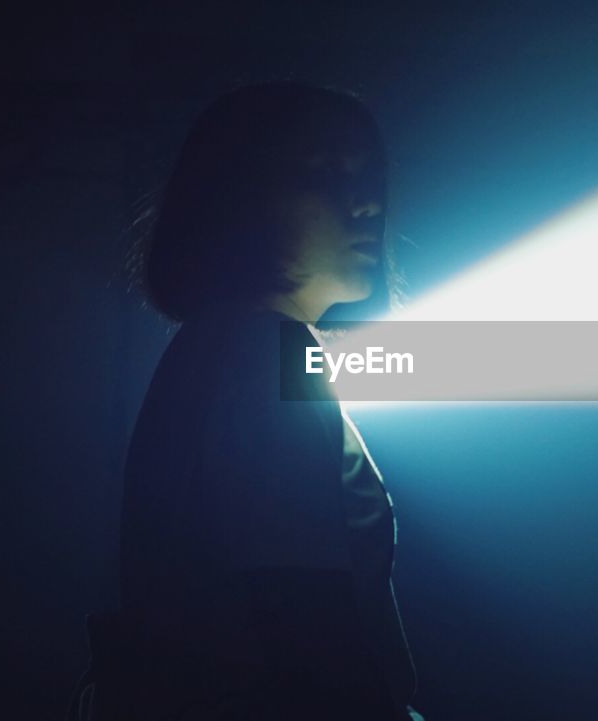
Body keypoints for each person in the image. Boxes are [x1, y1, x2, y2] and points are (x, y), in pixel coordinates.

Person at [72, 82, 423, 721]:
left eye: (368, 174)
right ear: (241, 201)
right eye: (324, 174)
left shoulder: (232, 346)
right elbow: (301, 604)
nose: (366, 203)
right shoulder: (261, 353)